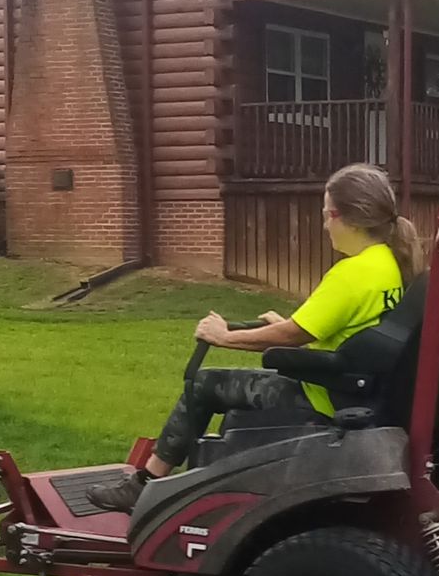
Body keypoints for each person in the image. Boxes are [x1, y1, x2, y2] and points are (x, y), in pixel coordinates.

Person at [85, 163, 419, 513]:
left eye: (326, 214)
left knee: (204, 384)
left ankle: (145, 484)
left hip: (321, 397)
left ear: (347, 217)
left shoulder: (352, 273)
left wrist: (224, 336)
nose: (324, 225)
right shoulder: (386, 264)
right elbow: (337, 329)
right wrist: (286, 327)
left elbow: (293, 333)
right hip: (350, 390)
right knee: (233, 405)